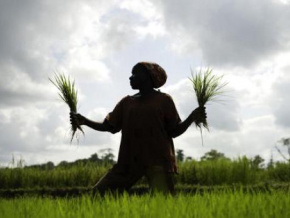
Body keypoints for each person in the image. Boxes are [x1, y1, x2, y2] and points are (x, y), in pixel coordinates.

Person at [70, 62, 206, 195]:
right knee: (98, 194)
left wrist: (192, 117)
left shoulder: (164, 100)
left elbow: (174, 131)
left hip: (157, 161)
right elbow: (108, 126)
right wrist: (84, 121)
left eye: (135, 73)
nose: (130, 77)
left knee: (164, 204)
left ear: (149, 77)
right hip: (129, 160)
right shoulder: (126, 102)